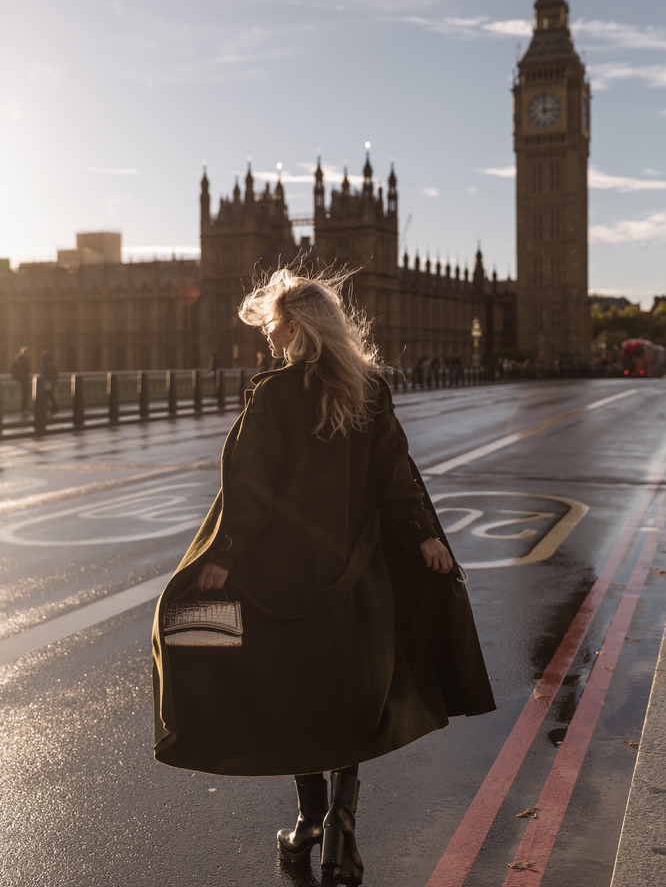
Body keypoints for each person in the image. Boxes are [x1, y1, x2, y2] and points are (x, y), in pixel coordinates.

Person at [152, 268, 495, 885]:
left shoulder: (274, 394)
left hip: (280, 578)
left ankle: (311, 818)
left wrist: (223, 553)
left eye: (274, 325)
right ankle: (341, 822)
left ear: (294, 327)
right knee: (350, 696)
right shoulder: (369, 388)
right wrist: (424, 539)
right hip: (356, 573)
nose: (269, 337)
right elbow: (397, 478)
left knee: (291, 694)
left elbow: (248, 487)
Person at [11, 346, 30, 415]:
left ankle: (24, 409)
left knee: (25, 394)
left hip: (23, 379)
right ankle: (23, 409)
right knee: (25, 394)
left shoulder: (21, 360)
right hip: (22, 380)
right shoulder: (21, 361)